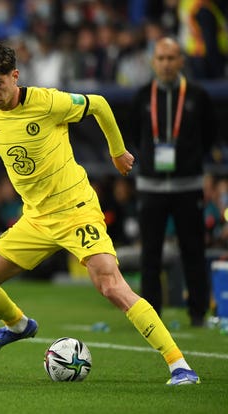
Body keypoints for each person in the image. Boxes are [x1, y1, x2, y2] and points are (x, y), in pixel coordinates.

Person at [0, 42, 199, 385]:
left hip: (75, 210)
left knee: (111, 286)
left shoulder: (47, 102)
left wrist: (117, 152)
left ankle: (179, 365)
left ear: (15, 75)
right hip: (36, 219)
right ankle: (19, 325)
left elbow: (98, 104)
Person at [128, 37, 217, 327]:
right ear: (154, 62)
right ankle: (151, 316)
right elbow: (133, 136)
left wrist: (192, 164)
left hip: (187, 186)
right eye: (161, 58)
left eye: (171, 58)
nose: (166, 64)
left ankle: (197, 313)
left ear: (181, 61)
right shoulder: (142, 96)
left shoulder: (197, 96)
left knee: (193, 250)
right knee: (149, 253)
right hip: (150, 187)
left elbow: (209, 137)